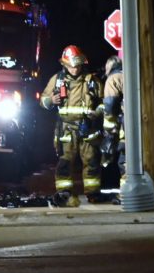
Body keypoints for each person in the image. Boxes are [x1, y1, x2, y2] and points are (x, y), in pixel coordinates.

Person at [40, 45, 105, 207]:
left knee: (91, 161)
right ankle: (64, 192)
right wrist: (50, 100)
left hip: (88, 128)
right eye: (71, 66)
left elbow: (104, 103)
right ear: (65, 64)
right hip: (66, 129)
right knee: (65, 162)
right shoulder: (57, 80)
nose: (75, 69)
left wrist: (96, 113)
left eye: (77, 65)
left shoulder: (92, 81)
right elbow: (43, 100)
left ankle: (93, 193)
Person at [101, 55, 126, 202]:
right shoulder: (131, 75)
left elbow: (110, 108)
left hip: (127, 127)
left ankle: (126, 194)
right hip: (147, 124)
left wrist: (109, 132)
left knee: (125, 161)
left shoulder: (113, 79)